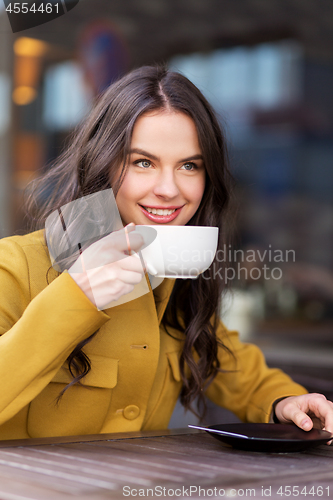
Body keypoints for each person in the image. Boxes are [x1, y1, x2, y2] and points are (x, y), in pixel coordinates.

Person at [0, 65, 332, 440]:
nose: (168, 189)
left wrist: (283, 401)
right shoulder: (13, 267)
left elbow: (225, 359)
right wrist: (75, 297)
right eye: (143, 162)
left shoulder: (172, 274)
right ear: (102, 162)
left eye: (189, 166)